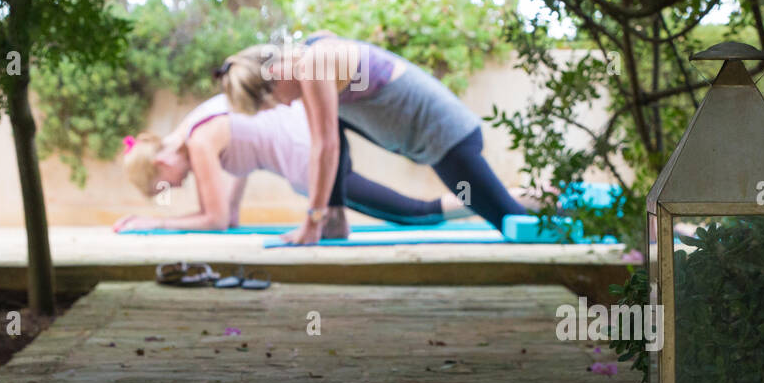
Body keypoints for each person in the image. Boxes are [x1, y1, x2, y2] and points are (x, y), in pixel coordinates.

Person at [216, 33, 529, 244]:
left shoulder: (313, 64)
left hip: (449, 138)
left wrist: (312, 221)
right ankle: (335, 219)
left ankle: (572, 207)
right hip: (435, 144)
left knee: (514, 224)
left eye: (272, 100)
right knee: (504, 211)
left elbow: (325, 148)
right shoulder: (313, 55)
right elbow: (327, 137)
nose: (284, 105)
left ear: (272, 74)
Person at [115, 93, 471, 234]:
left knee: (414, 213)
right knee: (344, 225)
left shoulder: (199, 141)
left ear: (162, 162)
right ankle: (500, 199)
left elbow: (215, 220)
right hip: (315, 137)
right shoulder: (197, 123)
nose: (174, 187)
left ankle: (506, 200)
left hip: (314, 161)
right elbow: (247, 154)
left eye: (163, 184)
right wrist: (234, 207)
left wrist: (155, 223)